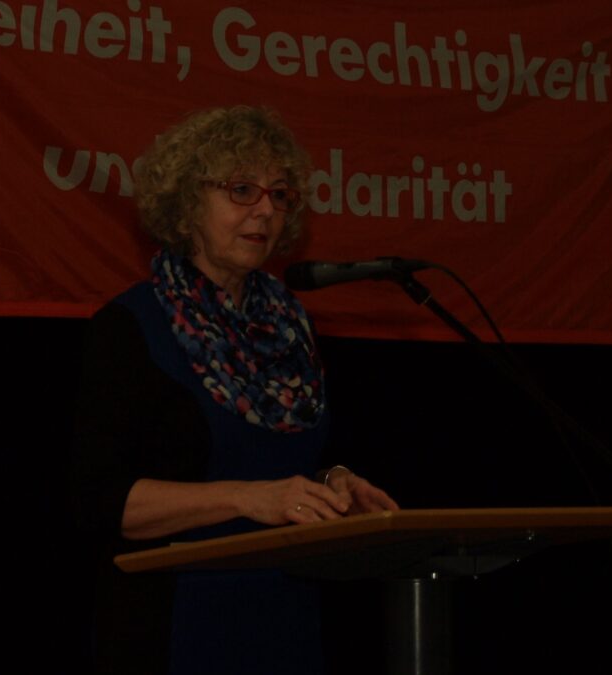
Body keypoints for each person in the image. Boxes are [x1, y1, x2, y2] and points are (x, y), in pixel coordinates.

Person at [71, 105, 398, 675]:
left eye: (279, 195)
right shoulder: (132, 327)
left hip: (286, 618)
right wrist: (249, 498)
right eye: (242, 190)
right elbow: (102, 501)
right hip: (174, 623)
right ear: (187, 204)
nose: (265, 210)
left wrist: (332, 485)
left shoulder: (290, 328)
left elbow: (280, 468)